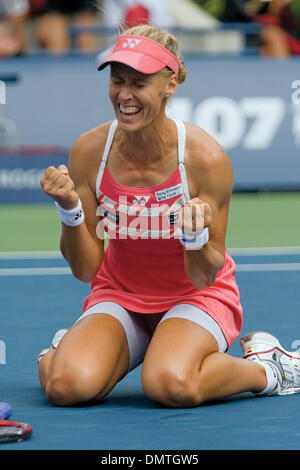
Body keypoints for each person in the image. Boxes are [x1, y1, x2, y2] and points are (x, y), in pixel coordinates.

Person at [39, 24, 300, 408]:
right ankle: (72, 351)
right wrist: (69, 211)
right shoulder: (89, 151)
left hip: (196, 296)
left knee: (169, 385)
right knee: (66, 387)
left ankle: (271, 368)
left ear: (170, 85)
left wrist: (193, 238)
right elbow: (86, 271)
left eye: (139, 83)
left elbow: (203, 273)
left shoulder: (205, 159)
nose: (124, 95)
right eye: (117, 81)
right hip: (121, 294)